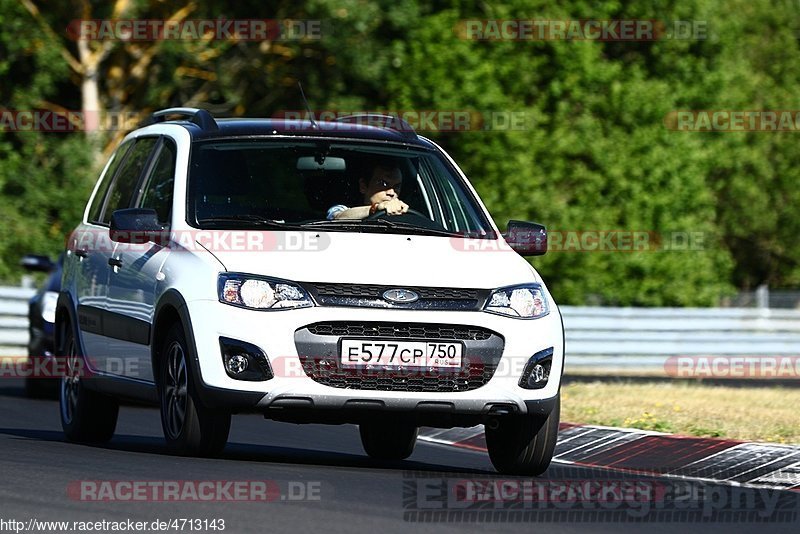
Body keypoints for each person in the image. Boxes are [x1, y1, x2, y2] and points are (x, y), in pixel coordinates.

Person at [327, 162, 409, 220]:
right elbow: (338, 217)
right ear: (363, 186)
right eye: (384, 184)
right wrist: (375, 208)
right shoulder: (344, 209)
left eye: (396, 186)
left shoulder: (405, 212)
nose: (391, 193)